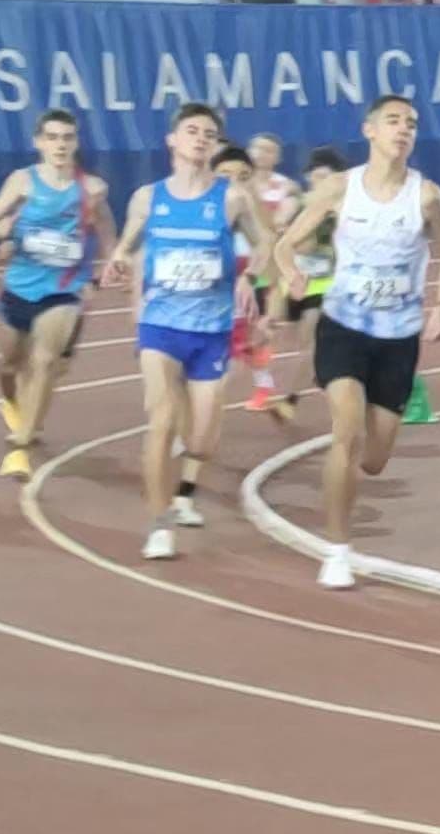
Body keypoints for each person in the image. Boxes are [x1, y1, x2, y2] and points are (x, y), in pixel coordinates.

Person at [275, 96, 440, 589]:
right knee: (347, 430)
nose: (404, 130)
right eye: (393, 121)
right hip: (344, 326)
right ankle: (338, 550)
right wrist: (291, 274)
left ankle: (343, 476)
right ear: (370, 130)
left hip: (398, 337)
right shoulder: (340, 188)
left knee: (374, 460)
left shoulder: (427, 197)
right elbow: (285, 244)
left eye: (411, 124)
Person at [99, 102, 273, 561]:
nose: (200, 139)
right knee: (159, 422)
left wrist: (249, 276)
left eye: (209, 134)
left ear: (215, 146)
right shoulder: (148, 198)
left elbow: (265, 244)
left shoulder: (232, 198)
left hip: (211, 329)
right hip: (160, 325)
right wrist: (118, 260)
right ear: (172, 140)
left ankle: (187, 475)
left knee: (201, 441)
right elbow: (129, 242)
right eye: (192, 131)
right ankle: (159, 524)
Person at [0, 109, 116, 480]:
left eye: (67, 137)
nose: (60, 145)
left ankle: (20, 449)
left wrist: (110, 264)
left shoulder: (92, 189)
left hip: (63, 288)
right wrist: (7, 229)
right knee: (8, 365)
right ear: (39, 142)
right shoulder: (22, 181)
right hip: (20, 286)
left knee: (45, 361)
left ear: (76, 142)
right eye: (52, 137)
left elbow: (106, 229)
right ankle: (12, 404)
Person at [277, 146, 349, 413]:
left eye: (326, 177)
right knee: (300, 344)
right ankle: (323, 372)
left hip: (324, 284)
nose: (319, 182)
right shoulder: (298, 202)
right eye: (315, 176)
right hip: (294, 284)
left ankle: (289, 400)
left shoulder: (342, 209)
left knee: (310, 344)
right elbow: (282, 232)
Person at [242, 133, 301, 414]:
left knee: (261, 329)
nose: (261, 154)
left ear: (277, 157)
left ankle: (263, 385)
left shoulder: (286, 187)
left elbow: (279, 222)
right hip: (235, 265)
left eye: (269, 150)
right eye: (257, 148)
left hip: (267, 268)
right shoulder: (233, 183)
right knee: (240, 332)